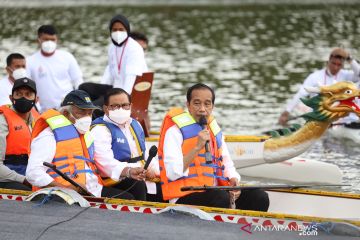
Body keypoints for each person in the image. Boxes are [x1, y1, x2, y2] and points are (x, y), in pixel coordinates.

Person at [158, 83, 269, 211]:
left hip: (216, 192)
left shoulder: (214, 130)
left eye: (207, 104)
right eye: (197, 103)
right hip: (184, 195)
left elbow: (227, 163)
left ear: (212, 106)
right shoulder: (174, 131)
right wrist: (197, 147)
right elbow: (172, 173)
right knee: (220, 198)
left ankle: (245, 230)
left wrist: (233, 180)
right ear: (188, 105)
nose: (202, 109)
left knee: (259, 196)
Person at [26, 90, 146, 199]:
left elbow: (101, 163)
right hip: (65, 195)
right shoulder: (49, 136)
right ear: (66, 114)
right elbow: (33, 173)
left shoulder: (85, 134)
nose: (87, 118)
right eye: (81, 112)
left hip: (92, 190)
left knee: (136, 188)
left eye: (89, 113)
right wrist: (64, 188)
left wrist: (129, 171)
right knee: (126, 199)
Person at [91, 88, 161, 201]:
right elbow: (105, 163)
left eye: (124, 105)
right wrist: (131, 171)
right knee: (137, 184)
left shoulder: (135, 124)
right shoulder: (100, 130)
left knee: (166, 184)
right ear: (106, 108)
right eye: (115, 106)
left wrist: (155, 170)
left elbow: (145, 155)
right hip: (115, 179)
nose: (120, 109)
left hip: (141, 175)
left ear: (131, 106)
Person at [278, 48, 360, 126]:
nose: (335, 67)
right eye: (333, 63)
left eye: (339, 65)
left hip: (338, 117)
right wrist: (286, 112)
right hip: (319, 116)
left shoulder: (346, 75)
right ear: (328, 62)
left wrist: (349, 58)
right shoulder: (315, 76)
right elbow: (301, 94)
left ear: (342, 65)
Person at [27, 25, 83, 111]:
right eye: (46, 39)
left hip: (67, 107)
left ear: (57, 40)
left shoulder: (67, 57)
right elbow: (28, 88)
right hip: (43, 110)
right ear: (38, 40)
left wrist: (80, 102)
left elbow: (78, 81)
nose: (49, 42)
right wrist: (36, 108)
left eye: (52, 39)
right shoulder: (30, 61)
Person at [0, 78, 39, 190]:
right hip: (8, 178)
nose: (23, 98)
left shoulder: (38, 119)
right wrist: (23, 180)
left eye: (28, 94)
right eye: (19, 94)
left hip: (31, 173)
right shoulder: (2, 121)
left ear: (36, 99)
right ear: (11, 98)